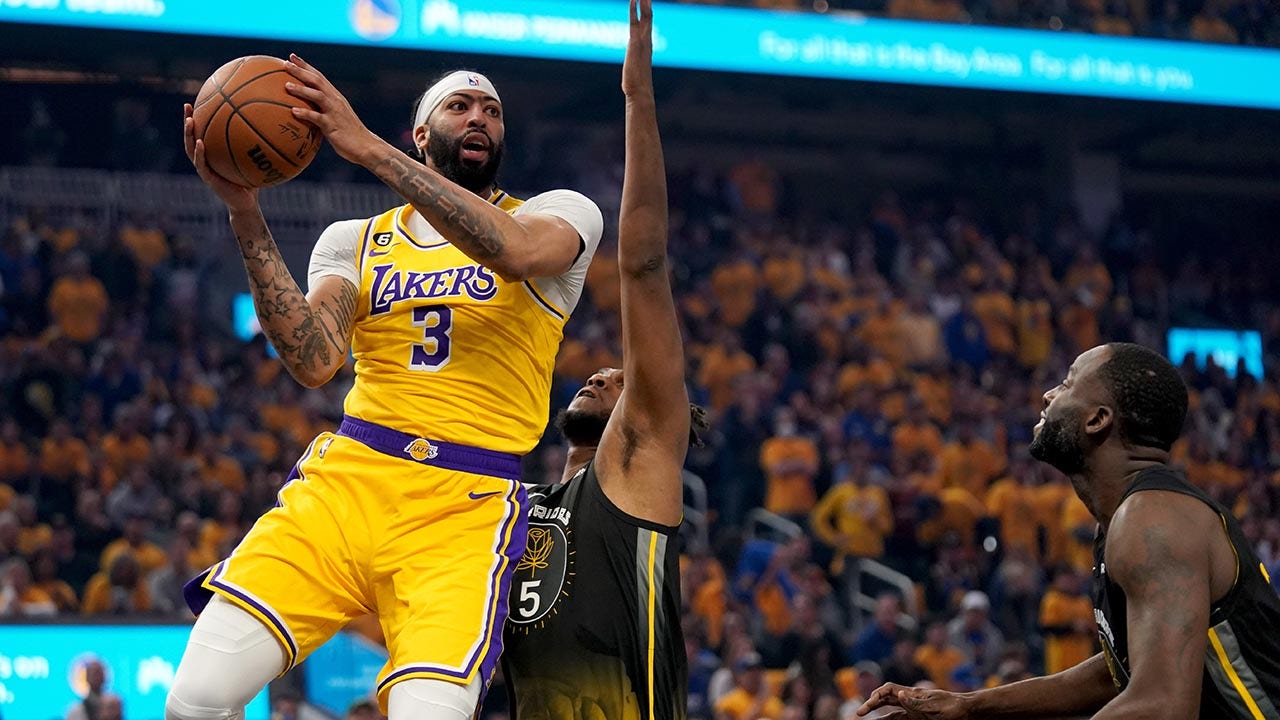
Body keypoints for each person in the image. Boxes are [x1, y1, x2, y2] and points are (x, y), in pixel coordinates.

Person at [171, 41, 603, 720]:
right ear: (422, 135)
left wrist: (367, 147)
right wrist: (244, 212)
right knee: (195, 701)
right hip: (352, 481)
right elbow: (314, 361)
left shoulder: (558, 213)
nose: (479, 117)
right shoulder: (354, 239)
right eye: (459, 106)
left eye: (491, 110)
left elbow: (516, 255)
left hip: (465, 505)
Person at [858, 342, 1280, 719]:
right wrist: (970, 706)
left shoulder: (1153, 519)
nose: (1048, 394)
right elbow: (1119, 672)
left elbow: (1161, 705)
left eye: (1067, 383)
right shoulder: (1131, 516)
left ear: (1097, 419)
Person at [500, 3, 695, 718]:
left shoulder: (640, 459)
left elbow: (643, 266)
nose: (600, 375)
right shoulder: (517, 510)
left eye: (618, 380)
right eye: (602, 374)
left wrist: (638, 99)